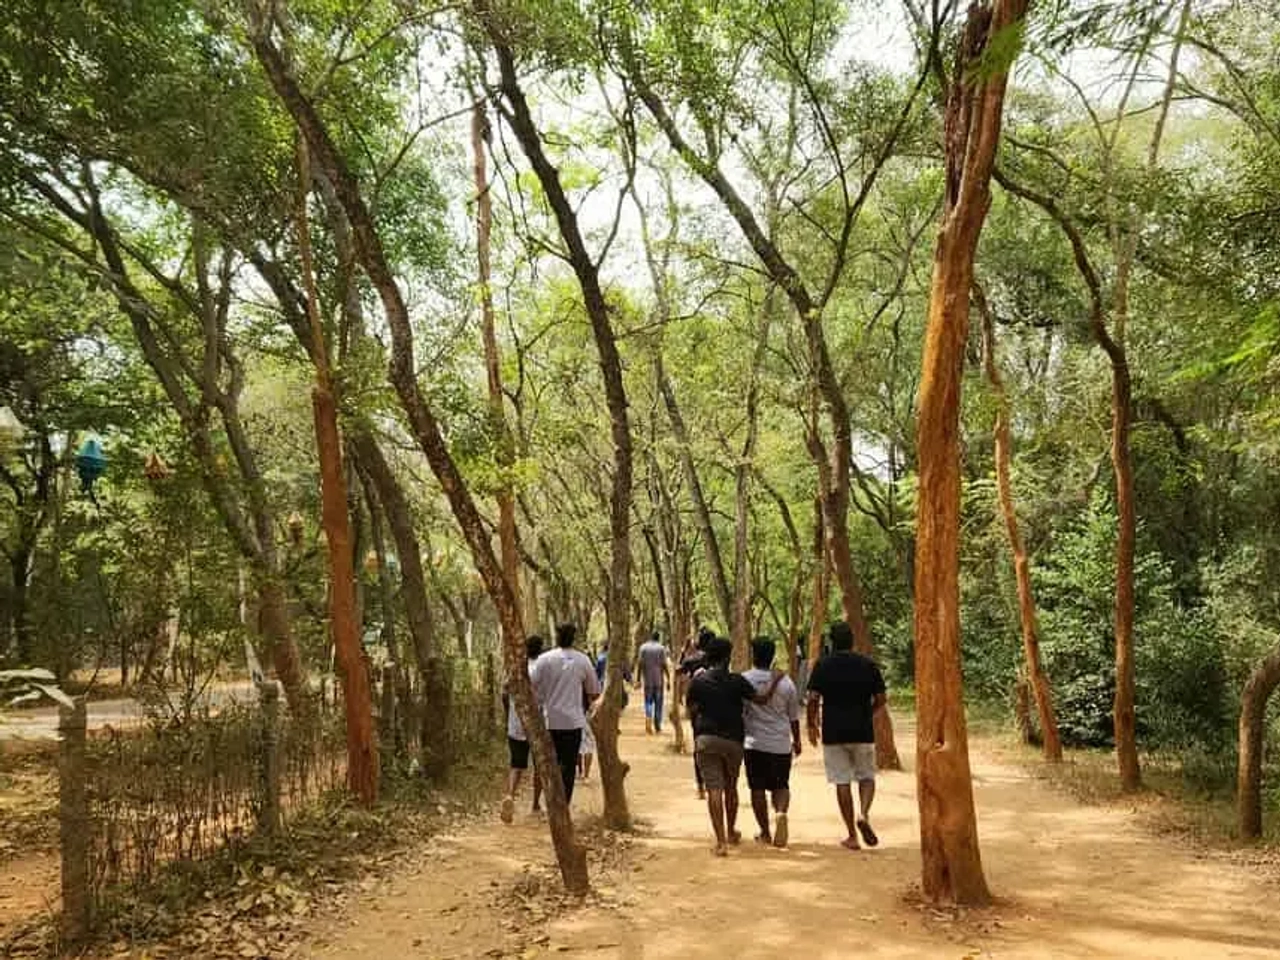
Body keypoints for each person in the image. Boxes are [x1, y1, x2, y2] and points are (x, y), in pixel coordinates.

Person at [686, 636, 784, 856]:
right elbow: (761, 699)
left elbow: (690, 709)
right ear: (728, 658)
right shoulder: (737, 681)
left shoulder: (699, 681)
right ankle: (731, 832)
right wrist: (775, 680)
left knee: (714, 789)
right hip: (733, 741)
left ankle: (720, 842)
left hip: (706, 739)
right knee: (730, 787)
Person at [805, 620, 887, 851]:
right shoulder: (868, 664)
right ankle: (864, 813)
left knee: (841, 780)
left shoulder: (823, 665)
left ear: (832, 642)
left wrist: (812, 725)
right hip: (862, 730)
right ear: (852, 641)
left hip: (834, 732)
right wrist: (867, 713)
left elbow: (812, 699)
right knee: (867, 776)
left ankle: (852, 834)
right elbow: (881, 699)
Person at [531, 623, 600, 806]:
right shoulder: (582, 660)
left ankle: (551, 803)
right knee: (569, 768)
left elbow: (531, 685)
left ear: (557, 637)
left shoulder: (544, 659)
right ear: (573, 638)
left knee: (550, 766)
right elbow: (594, 691)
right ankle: (564, 805)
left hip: (548, 722)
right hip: (572, 723)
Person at [742, 637, 802, 848]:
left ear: (753, 655)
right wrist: (798, 741)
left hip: (754, 743)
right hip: (780, 744)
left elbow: (740, 711)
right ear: (772, 656)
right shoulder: (786, 683)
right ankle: (781, 812)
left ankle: (765, 832)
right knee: (781, 785)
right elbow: (793, 717)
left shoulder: (744, 679)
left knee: (757, 788)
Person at [501, 635, 545, 824]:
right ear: (541, 649)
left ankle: (510, 795)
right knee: (539, 766)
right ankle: (535, 804)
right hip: (537, 724)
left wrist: (508, 713)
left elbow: (504, 692)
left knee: (516, 765)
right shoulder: (543, 668)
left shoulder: (515, 668)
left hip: (515, 723)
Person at [676, 627, 713, 798]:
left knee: (699, 746)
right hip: (716, 708)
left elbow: (678, 670)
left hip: (696, 709)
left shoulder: (692, 660)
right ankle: (715, 783)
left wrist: (684, 653)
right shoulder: (719, 660)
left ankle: (700, 786)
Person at [634, 630, 671, 735]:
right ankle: (657, 726)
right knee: (659, 704)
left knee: (648, 701)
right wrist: (668, 679)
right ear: (658, 638)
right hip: (659, 681)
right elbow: (664, 665)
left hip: (648, 681)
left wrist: (638, 679)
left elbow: (640, 664)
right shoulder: (661, 648)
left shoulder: (643, 648)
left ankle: (648, 718)